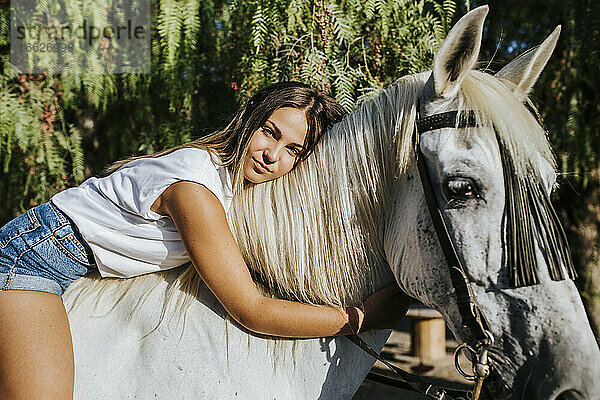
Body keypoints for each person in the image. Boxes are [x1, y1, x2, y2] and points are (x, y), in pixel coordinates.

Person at [0, 81, 410, 399]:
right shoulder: (194, 189)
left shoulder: (236, 185)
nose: (273, 154)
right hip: (32, 258)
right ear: (249, 117)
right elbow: (252, 309)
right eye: (270, 133)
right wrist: (359, 318)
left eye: (292, 150)